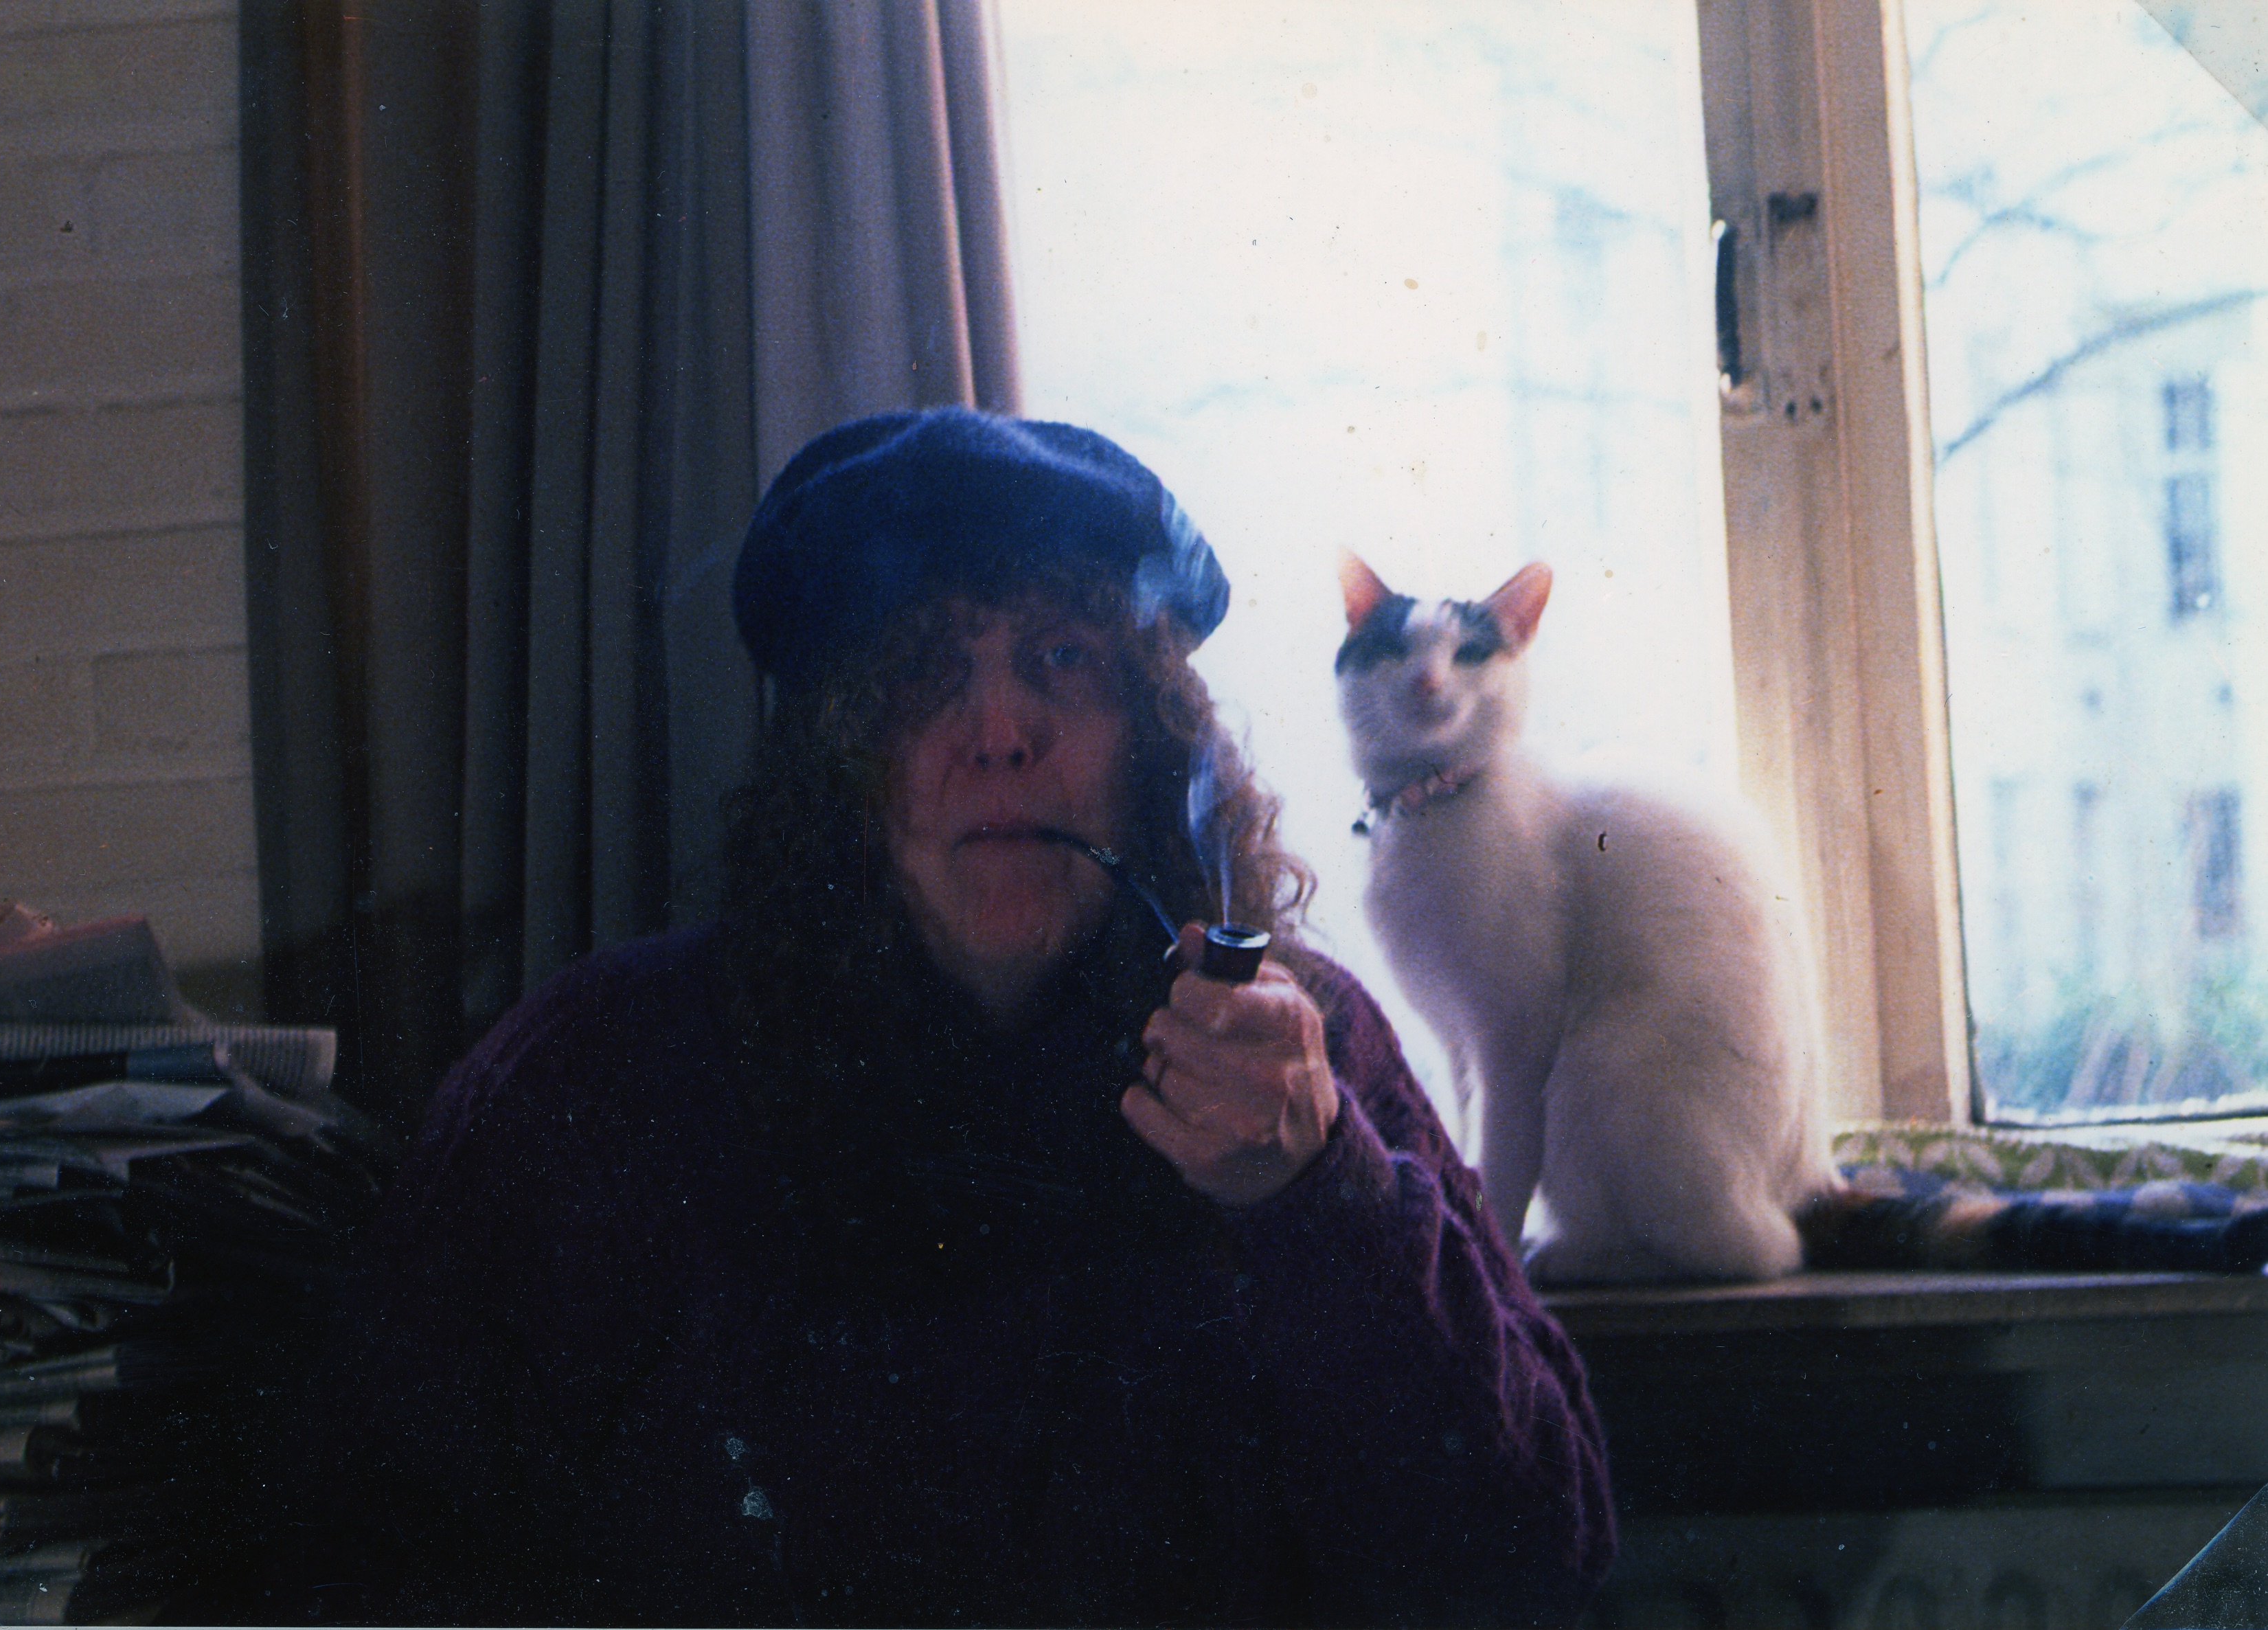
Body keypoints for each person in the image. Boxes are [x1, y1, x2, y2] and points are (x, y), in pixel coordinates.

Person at [297, 408, 1615, 1625]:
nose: (999, 729)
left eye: (1062, 657)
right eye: (924, 669)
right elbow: (378, 1546)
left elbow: (1537, 1559)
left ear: (1153, 735)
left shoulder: (1290, 1048)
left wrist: (1322, 1199)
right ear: (835, 754)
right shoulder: (598, 1079)